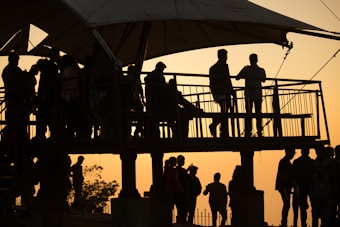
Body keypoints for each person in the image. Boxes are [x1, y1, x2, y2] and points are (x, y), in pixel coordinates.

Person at [236, 53, 266, 137]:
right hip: (258, 94)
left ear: (250, 60)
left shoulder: (246, 69)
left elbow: (237, 77)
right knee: (258, 112)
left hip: (249, 94)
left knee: (248, 112)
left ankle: (248, 130)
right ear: (257, 60)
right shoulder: (261, 70)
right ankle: (259, 130)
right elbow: (264, 80)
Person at [208, 49, 234, 138]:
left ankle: (222, 129)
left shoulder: (213, 68)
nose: (226, 57)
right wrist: (232, 90)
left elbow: (212, 81)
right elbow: (227, 79)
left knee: (225, 110)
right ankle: (221, 129)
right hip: (223, 92)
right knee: (225, 111)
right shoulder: (224, 66)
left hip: (218, 92)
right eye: (225, 55)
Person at [311, 145, 335, 227]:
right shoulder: (315, 163)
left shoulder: (329, 163)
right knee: (316, 213)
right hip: (317, 190)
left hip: (325, 190)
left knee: (324, 214)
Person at [292, 148, 314, 227]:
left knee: (301, 208)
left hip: (301, 187)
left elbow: (293, 176)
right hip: (306, 187)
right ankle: (306, 224)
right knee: (306, 208)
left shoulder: (297, 162)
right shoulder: (311, 162)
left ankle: (300, 224)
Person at [144, 61, 167, 138]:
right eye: (162, 69)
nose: (163, 71)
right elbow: (163, 87)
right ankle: (154, 136)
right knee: (154, 120)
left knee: (153, 121)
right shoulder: (157, 76)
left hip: (153, 101)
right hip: (157, 101)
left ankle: (152, 135)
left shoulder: (150, 76)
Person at [275, 147, 295, 227]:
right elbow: (283, 175)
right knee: (287, 204)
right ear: (287, 152)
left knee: (286, 204)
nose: (293, 154)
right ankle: (284, 222)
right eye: (292, 152)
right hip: (283, 187)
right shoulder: (284, 162)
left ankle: (284, 222)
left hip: (285, 187)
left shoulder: (285, 161)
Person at [127, 65, 145, 137]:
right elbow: (140, 89)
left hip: (134, 99)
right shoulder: (128, 78)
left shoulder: (135, 78)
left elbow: (140, 89)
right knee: (132, 116)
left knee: (140, 115)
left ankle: (136, 131)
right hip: (129, 99)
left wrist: (142, 99)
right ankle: (133, 132)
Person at [175, 155, 189, 224]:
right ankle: (181, 219)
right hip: (179, 191)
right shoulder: (177, 170)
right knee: (181, 206)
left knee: (185, 206)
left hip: (184, 191)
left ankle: (183, 219)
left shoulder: (182, 170)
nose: (183, 162)